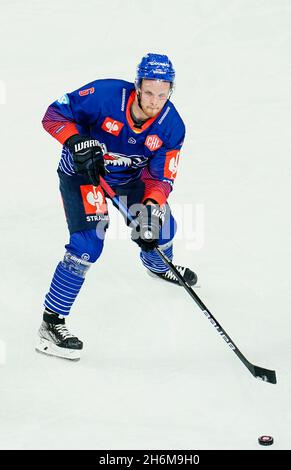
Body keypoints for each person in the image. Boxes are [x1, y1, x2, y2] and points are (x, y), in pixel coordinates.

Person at [36, 53, 198, 361]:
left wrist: (150, 207)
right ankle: (51, 324)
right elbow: (52, 115)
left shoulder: (172, 126)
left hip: (128, 179)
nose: (154, 101)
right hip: (84, 176)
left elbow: (162, 175)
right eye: (149, 92)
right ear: (137, 85)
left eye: (163, 94)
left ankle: (158, 266)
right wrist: (75, 141)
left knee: (162, 227)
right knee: (87, 245)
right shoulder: (104, 95)